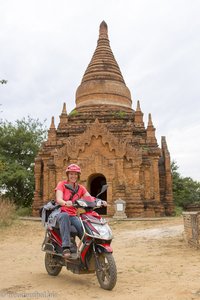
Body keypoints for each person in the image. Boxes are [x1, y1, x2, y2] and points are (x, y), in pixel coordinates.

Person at [54, 163, 107, 259]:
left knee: (84, 229)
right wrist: (65, 203)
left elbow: (90, 198)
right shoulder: (62, 184)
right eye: (71, 174)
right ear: (67, 175)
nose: (73, 176)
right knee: (65, 216)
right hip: (61, 213)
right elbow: (59, 199)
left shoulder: (80, 188)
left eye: (75, 174)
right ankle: (66, 247)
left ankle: (91, 250)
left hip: (73, 215)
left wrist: (100, 201)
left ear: (78, 176)